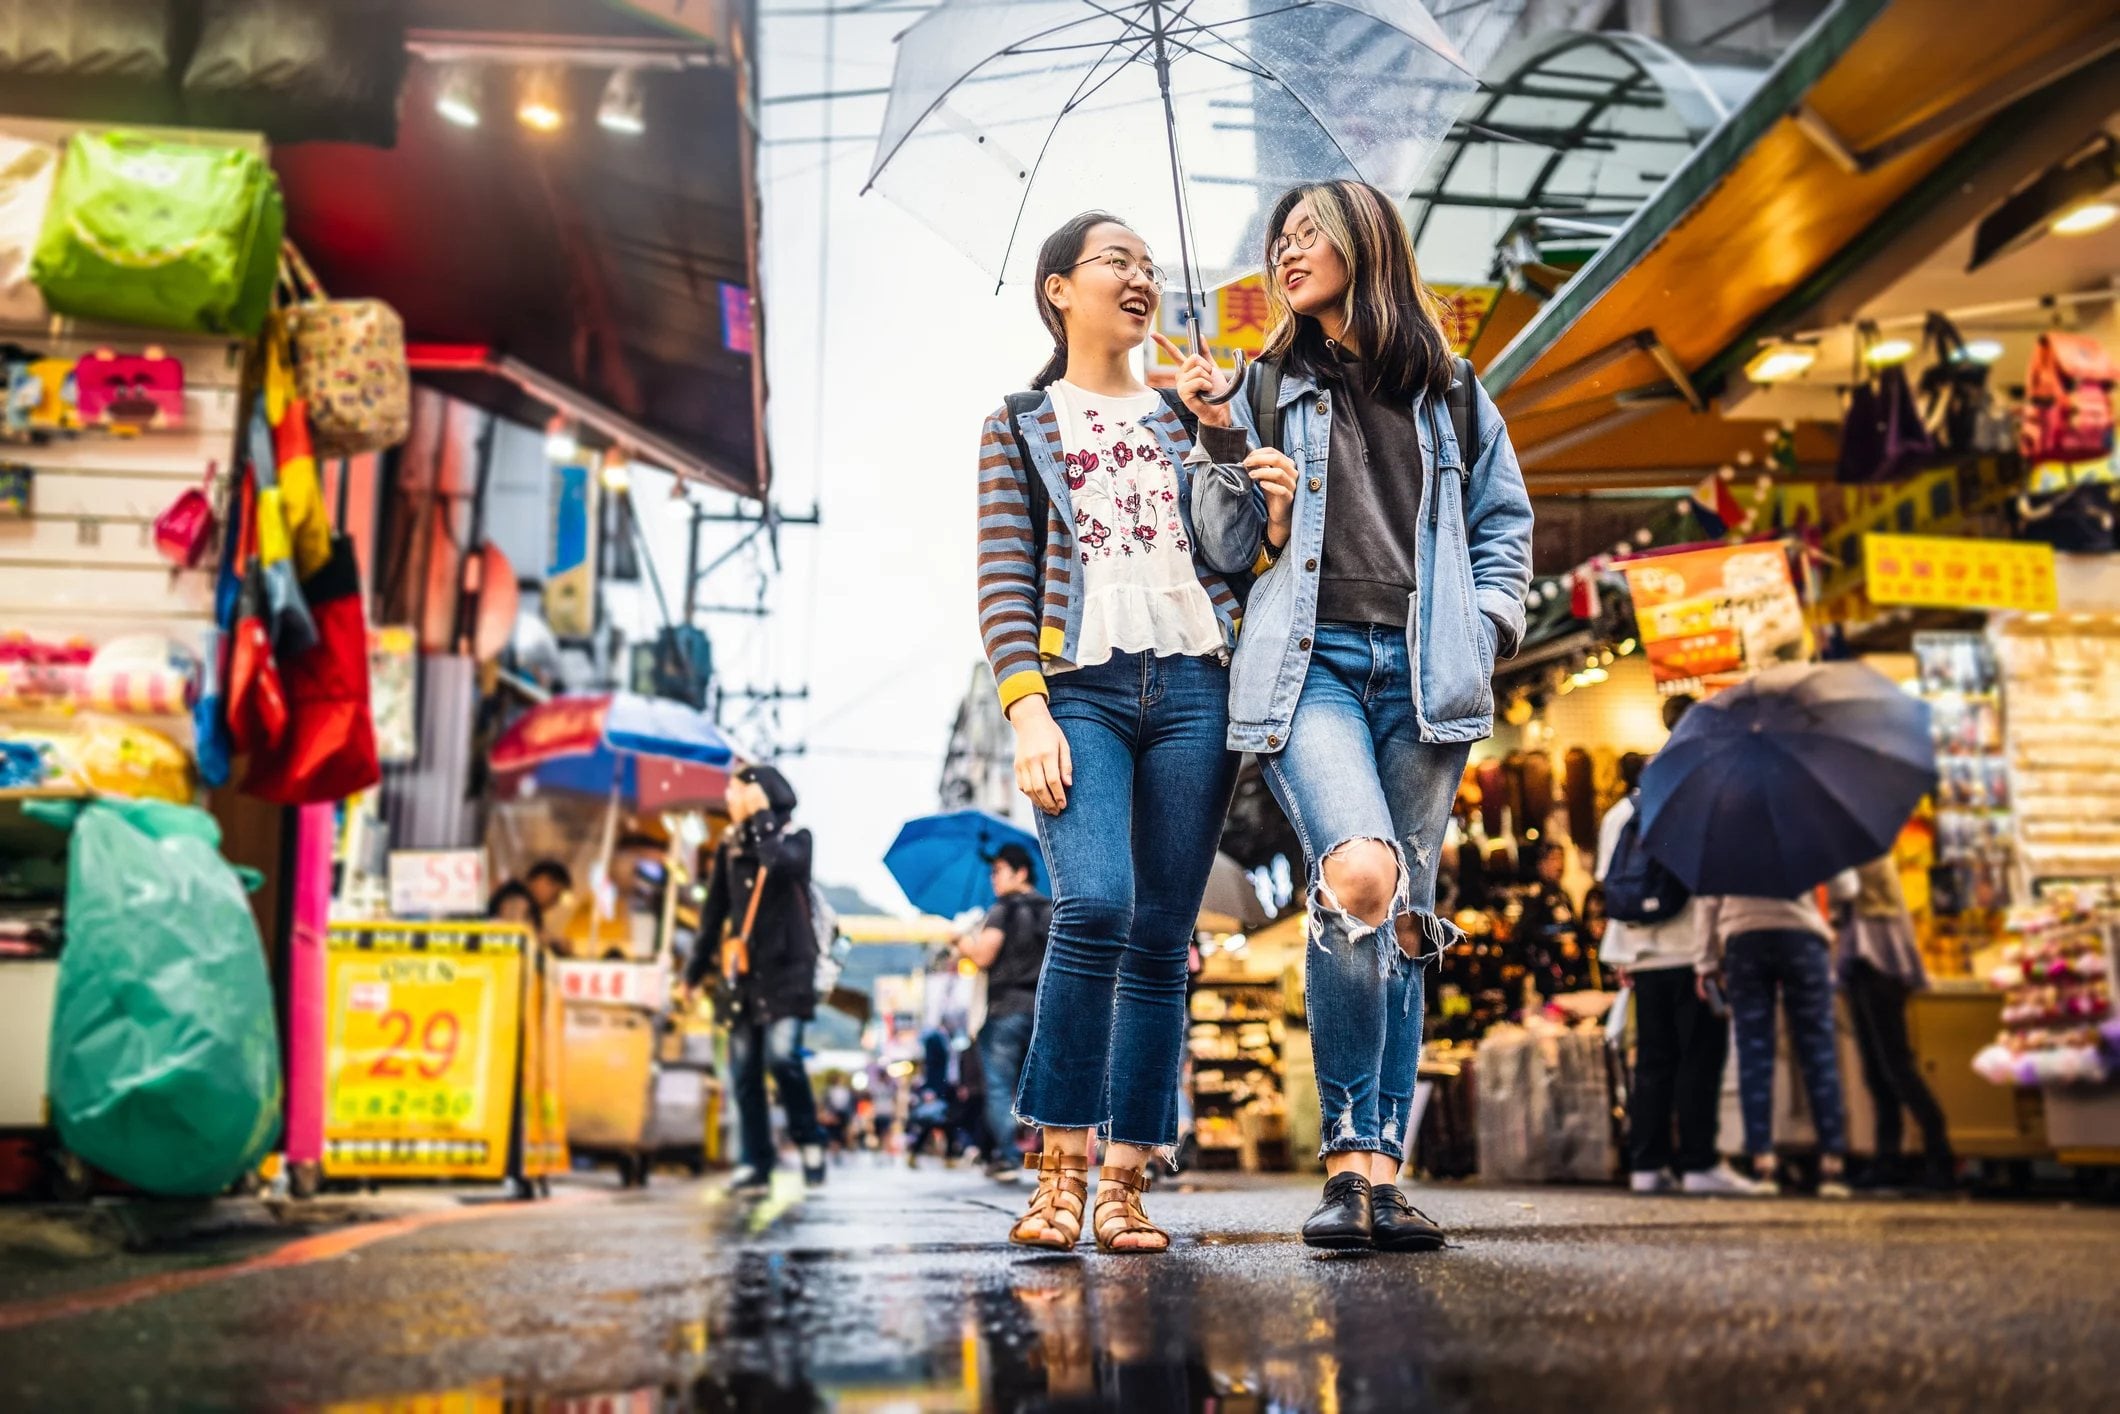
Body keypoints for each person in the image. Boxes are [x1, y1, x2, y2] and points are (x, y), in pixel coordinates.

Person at [1188, 180, 1534, 1250]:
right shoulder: (1256, 382)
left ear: (1364, 246)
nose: (1285, 252)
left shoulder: (1452, 386)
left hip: (1429, 673)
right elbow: (1214, 545)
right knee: (1359, 876)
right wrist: (1211, 440)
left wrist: (1482, 625)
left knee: (1405, 916)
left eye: (1307, 235)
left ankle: (1383, 1173)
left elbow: (1502, 520)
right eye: (1277, 239)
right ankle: (1345, 1158)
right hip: (1311, 666)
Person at [976, 211, 1243, 1253]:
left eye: (1147, 263)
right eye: (1114, 261)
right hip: (1078, 687)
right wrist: (1025, 703)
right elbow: (1001, 576)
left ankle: (1127, 1177)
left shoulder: (1189, 412)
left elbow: (1244, 553)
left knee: (1161, 942)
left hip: (1193, 683)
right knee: (1092, 904)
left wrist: (1223, 431)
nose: (1138, 276)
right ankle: (1056, 1167)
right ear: (1058, 288)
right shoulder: (1018, 421)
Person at [1597, 751, 1765, 1196]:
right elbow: (1713, 891)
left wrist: (1622, 956)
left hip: (1643, 957)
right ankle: (1697, 1163)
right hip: (1692, 956)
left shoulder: (1620, 813)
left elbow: (1610, 886)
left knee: (1653, 1061)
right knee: (1699, 1058)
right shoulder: (1697, 812)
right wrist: (1717, 957)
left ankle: (1646, 1166)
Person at [681, 765, 827, 1195]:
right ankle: (755, 1165)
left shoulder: (797, 839)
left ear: (758, 793)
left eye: (734, 789)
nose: (727, 797)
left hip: (788, 971)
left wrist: (762, 817)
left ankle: (809, 1139)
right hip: (743, 975)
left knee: (782, 1058)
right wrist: (692, 974)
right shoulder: (728, 846)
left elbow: (781, 866)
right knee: (744, 1070)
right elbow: (713, 918)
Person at [1697, 884, 1852, 1197]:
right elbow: (1847, 886)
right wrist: (1828, 915)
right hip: (1803, 938)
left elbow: (1708, 900)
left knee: (1754, 1051)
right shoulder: (1810, 831)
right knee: (1818, 1048)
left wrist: (1705, 962)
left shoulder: (1722, 835)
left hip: (1745, 939)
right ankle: (1832, 1163)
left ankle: (1763, 1162)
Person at [1831, 855, 1956, 1191]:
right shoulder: (1859, 844)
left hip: (1878, 963)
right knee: (1876, 1069)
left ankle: (1939, 1155)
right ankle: (1888, 1158)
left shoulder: (1863, 848)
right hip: (1863, 963)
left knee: (1895, 1065)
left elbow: (1844, 888)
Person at [954, 843, 1052, 1182]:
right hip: (1045, 1009)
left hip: (1004, 1009)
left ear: (1020, 872)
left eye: (998, 871)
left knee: (998, 1086)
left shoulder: (1002, 911)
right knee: (1044, 1085)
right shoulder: (1051, 909)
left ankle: (1009, 1158)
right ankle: (1052, 1157)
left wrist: (961, 941)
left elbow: (983, 956)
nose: (993, 878)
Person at [1513, 842, 1590, 1000]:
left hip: (1569, 971)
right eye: (1553, 859)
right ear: (1541, 864)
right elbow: (1526, 931)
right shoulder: (1535, 895)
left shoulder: (1562, 894)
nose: (1559, 865)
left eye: (1561, 859)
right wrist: (1559, 942)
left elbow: (1574, 926)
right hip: (1546, 972)